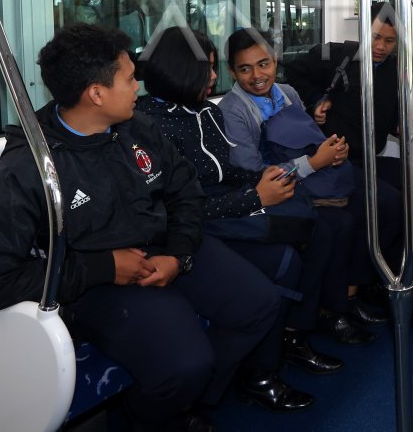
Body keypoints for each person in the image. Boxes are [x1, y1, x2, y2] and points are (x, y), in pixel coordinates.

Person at [0, 24, 294, 431]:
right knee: (187, 362)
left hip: (164, 246)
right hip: (95, 280)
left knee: (258, 304)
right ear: (96, 94)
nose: (138, 85)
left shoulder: (138, 128)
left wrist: (180, 252)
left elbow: (184, 193)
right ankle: (146, 416)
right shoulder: (30, 171)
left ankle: (187, 404)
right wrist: (105, 267)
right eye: (129, 78)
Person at [135, 27, 345, 394]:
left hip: (223, 205)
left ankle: (288, 341)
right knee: (285, 260)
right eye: (209, 70)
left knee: (317, 229)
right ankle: (259, 372)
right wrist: (255, 198)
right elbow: (180, 205)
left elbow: (227, 171)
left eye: (215, 68)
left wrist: (259, 177)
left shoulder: (205, 112)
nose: (214, 78)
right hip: (194, 223)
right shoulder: (152, 127)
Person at [219, 28, 398, 341]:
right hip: (276, 190)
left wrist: (332, 151)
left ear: (275, 61)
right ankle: (319, 316)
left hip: (311, 176)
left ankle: (349, 295)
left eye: (264, 64)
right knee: (337, 223)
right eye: (245, 69)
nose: (257, 75)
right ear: (232, 72)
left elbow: (307, 141)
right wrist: (316, 162)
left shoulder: (287, 93)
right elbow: (255, 175)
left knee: (378, 204)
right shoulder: (233, 112)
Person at [285, 2, 403, 192]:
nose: (380, 47)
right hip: (334, 160)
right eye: (376, 37)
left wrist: (399, 126)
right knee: (391, 201)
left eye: (389, 41)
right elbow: (293, 71)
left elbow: (391, 113)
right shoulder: (337, 56)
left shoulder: (398, 72)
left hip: (370, 157)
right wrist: (316, 100)